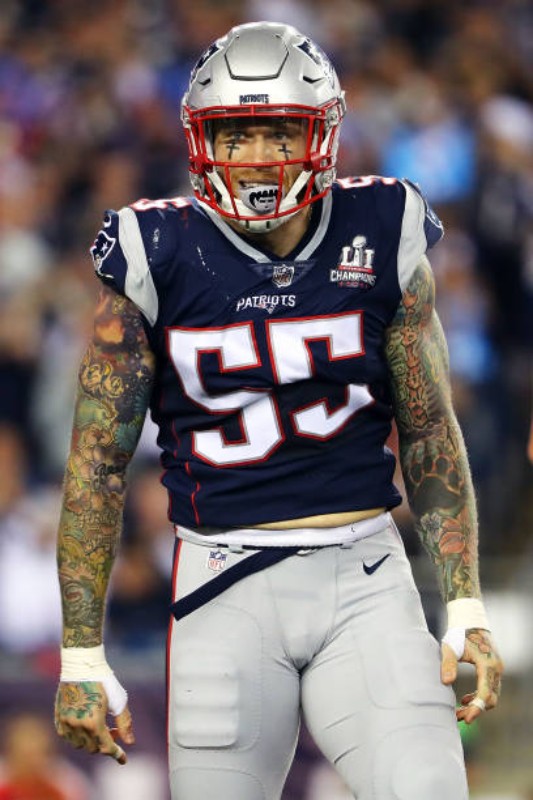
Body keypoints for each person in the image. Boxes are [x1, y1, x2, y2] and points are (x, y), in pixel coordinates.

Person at [54, 21, 504, 800]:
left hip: (365, 577)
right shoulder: (153, 249)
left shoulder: (381, 228)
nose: (256, 156)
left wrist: (463, 601)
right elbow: (98, 465)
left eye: (278, 131)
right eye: (235, 134)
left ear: (321, 134)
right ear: (201, 140)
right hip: (222, 584)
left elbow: (430, 429)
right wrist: (80, 654)